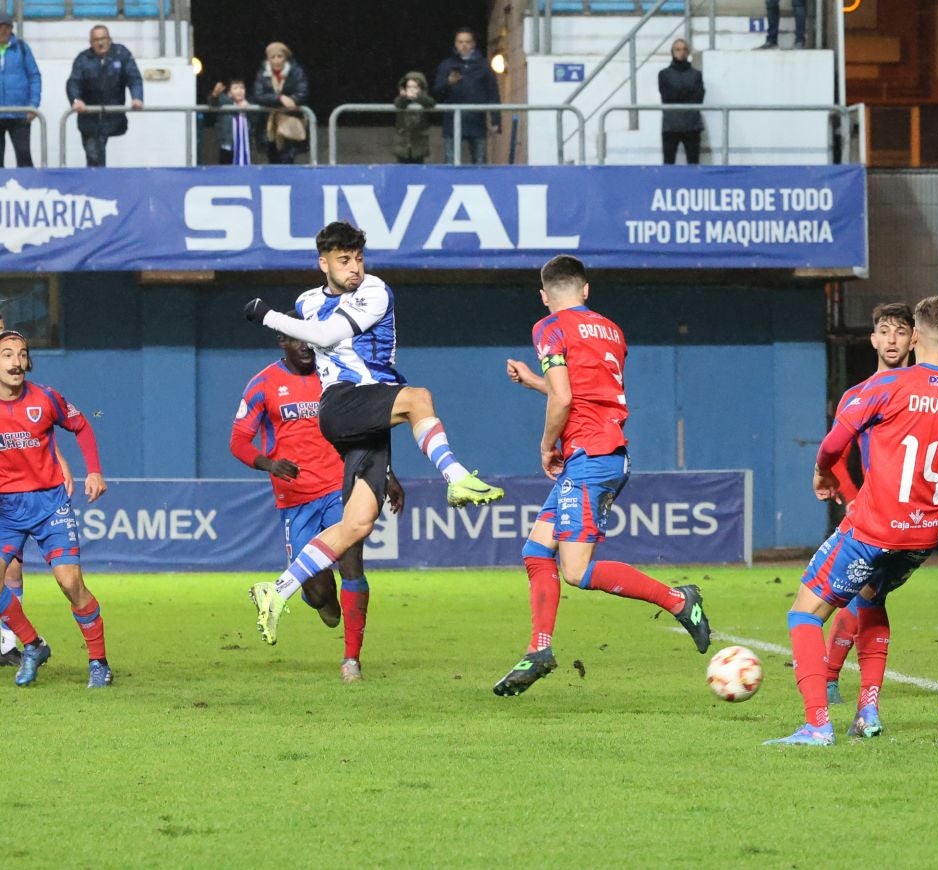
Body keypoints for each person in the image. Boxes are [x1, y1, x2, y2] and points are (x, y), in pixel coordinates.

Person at [241, 222, 505, 644]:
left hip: (368, 411)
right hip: (344, 402)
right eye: (344, 260)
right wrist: (275, 317)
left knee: (357, 524)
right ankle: (456, 478)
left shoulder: (376, 291)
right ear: (322, 262)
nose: (355, 268)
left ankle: (276, 590)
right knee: (419, 398)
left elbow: (325, 335)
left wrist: (266, 315)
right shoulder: (306, 301)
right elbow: (321, 334)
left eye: (359, 258)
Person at [769, 295, 938, 746]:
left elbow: (835, 443)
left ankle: (817, 725)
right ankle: (868, 712)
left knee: (803, 615)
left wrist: (820, 471)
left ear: (914, 337)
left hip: (873, 528)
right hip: (924, 533)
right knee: (872, 599)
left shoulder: (885, 387)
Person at [492, 255, 713, 696]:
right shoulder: (611, 330)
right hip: (603, 452)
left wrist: (546, 446)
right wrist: (537, 381)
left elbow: (564, 399)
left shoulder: (548, 327)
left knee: (575, 570)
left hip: (589, 457)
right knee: (537, 550)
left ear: (543, 296)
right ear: (586, 290)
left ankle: (677, 600)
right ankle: (539, 649)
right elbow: (586, 392)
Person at [233, 332, 405, 682]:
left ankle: (352, 660)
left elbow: (364, 432)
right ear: (283, 340)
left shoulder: (336, 377)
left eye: (309, 339)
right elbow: (238, 441)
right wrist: (270, 464)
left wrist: (385, 474)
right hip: (295, 499)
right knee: (320, 597)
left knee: (353, 564)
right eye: (297, 340)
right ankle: (325, 599)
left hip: (340, 487)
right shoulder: (263, 384)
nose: (306, 346)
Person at [0, 331, 110, 687]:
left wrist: (93, 470)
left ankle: (99, 663)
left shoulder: (46, 398)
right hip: (6, 509)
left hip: (49, 505)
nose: (15, 362)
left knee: (70, 583)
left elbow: (81, 425)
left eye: (21, 354)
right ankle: (32, 645)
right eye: (6, 355)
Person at [65, 25, 141, 168]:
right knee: (93, 156)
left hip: (114, 117)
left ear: (110, 40)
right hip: (90, 118)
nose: (100, 43)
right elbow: (73, 83)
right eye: (96, 40)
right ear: (90, 43)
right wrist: (76, 100)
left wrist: (137, 97)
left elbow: (134, 77)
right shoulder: (83, 59)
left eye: (103, 38)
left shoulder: (121, 53)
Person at [432, 28, 499, 165]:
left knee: (480, 162)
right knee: (451, 163)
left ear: (473, 44)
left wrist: (496, 120)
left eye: (467, 42)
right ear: (455, 44)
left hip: (477, 121)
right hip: (452, 122)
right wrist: (448, 83)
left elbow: (493, 93)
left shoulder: (484, 66)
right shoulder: (446, 66)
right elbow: (437, 95)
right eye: (460, 42)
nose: (464, 45)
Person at [250, 42, 308, 164]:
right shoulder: (262, 73)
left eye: (280, 56)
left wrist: (293, 100)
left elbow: (302, 92)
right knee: (272, 159)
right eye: (273, 57)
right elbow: (258, 95)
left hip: (290, 122)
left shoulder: (296, 72)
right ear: (268, 59)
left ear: (285, 58)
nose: (276, 60)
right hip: (268, 125)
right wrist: (280, 98)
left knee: (288, 159)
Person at [0, 21, 42, 168]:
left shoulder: (22, 48)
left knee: (24, 157)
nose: (3, 31)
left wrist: (33, 105)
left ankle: (29, 189)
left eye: (7, 28)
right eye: (0, 27)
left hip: (19, 114)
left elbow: (34, 77)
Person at [657, 38, 704, 165]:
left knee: (694, 165)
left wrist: (677, 93)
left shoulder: (696, 74)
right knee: (668, 164)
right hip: (671, 126)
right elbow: (666, 97)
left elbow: (699, 98)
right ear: (672, 52)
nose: (681, 52)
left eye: (684, 49)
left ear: (688, 52)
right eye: (677, 49)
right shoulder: (663, 74)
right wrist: (688, 92)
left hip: (692, 125)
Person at [203, 77, 254, 166]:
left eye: (242, 88)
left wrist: (249, 107)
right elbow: (212, 103)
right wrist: (215, 94)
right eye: (235, 88)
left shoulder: (250, 105)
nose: (239, 91)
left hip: (245, 148)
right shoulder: (224, 102)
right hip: (227, 147)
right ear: (229, 93)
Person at [392, 71, 434, 164]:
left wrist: (417, 97)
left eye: (415, 87)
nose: (412, 89)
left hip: (419, 144)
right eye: (409, 87)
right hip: (402, 144)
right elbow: (399, 104)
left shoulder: (424, 99)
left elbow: (430, 103)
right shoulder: (401, 99)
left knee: (418, 171)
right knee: (402, 171)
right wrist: (406, 97)